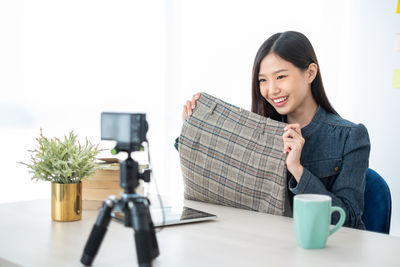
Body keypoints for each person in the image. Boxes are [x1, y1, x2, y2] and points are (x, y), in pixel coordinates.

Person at [177, 31, 370, 229]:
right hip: (266, 246)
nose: (271, 90)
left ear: (310, 73)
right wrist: (195, 127)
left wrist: (297, 169)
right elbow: (220, 179)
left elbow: (349, 222)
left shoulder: (350, 137)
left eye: (280, 76)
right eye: (263, 80)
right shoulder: (260, 133)